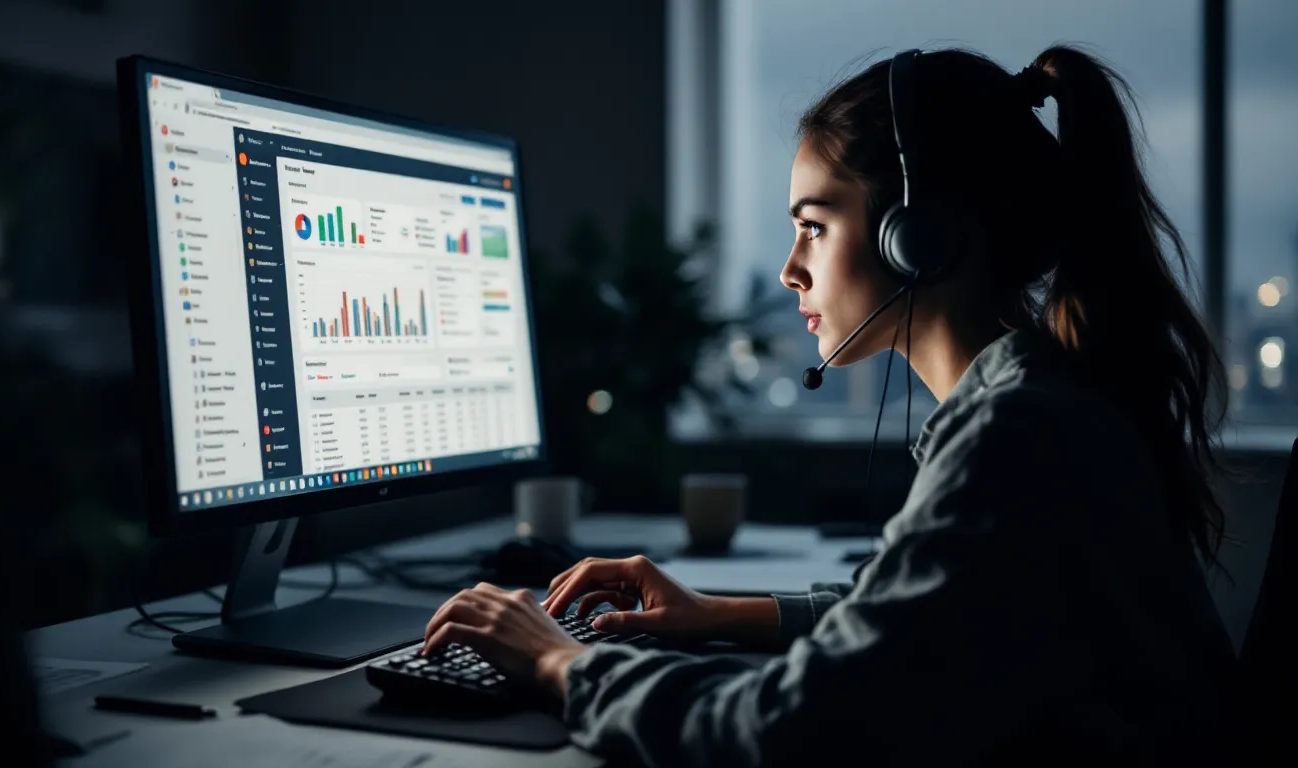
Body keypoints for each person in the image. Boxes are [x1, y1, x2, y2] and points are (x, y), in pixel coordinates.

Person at [420, 45, 1238, 765]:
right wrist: (716, 612)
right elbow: (921, 621)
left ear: (917, 234)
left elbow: (783, 735)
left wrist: (560, 663)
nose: (789, 270)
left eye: (812, 225)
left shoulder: (1015, 434)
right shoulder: (1044, 399)